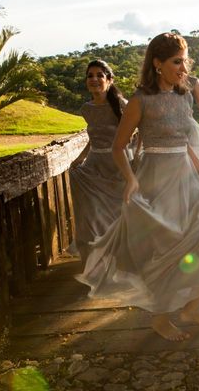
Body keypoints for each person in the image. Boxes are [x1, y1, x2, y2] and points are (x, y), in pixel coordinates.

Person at [77, 33, 199, 341]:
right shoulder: (141, 100)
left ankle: (191, 308)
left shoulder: (184, 95)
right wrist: (131, 179)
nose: (183, 67)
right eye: (177, 61)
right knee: (166, 248)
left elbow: (187, 146)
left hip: (186, 176)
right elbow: (118, 146)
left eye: (185, 60)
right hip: (155, 179)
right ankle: (161, 318)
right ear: (158, 64)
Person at [69, 60, 127, 264]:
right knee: (93, 210)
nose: (94, 79)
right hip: (95, 164)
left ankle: (121, 256)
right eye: (90, 75)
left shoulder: (121, 105)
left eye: (99, 75)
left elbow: (137, 132)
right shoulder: (87, 108)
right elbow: (94, 137)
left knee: (120, 210)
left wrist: (136, 156)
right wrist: (81, 157)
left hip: (118, 163)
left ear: (109, 80)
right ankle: (98, 255)